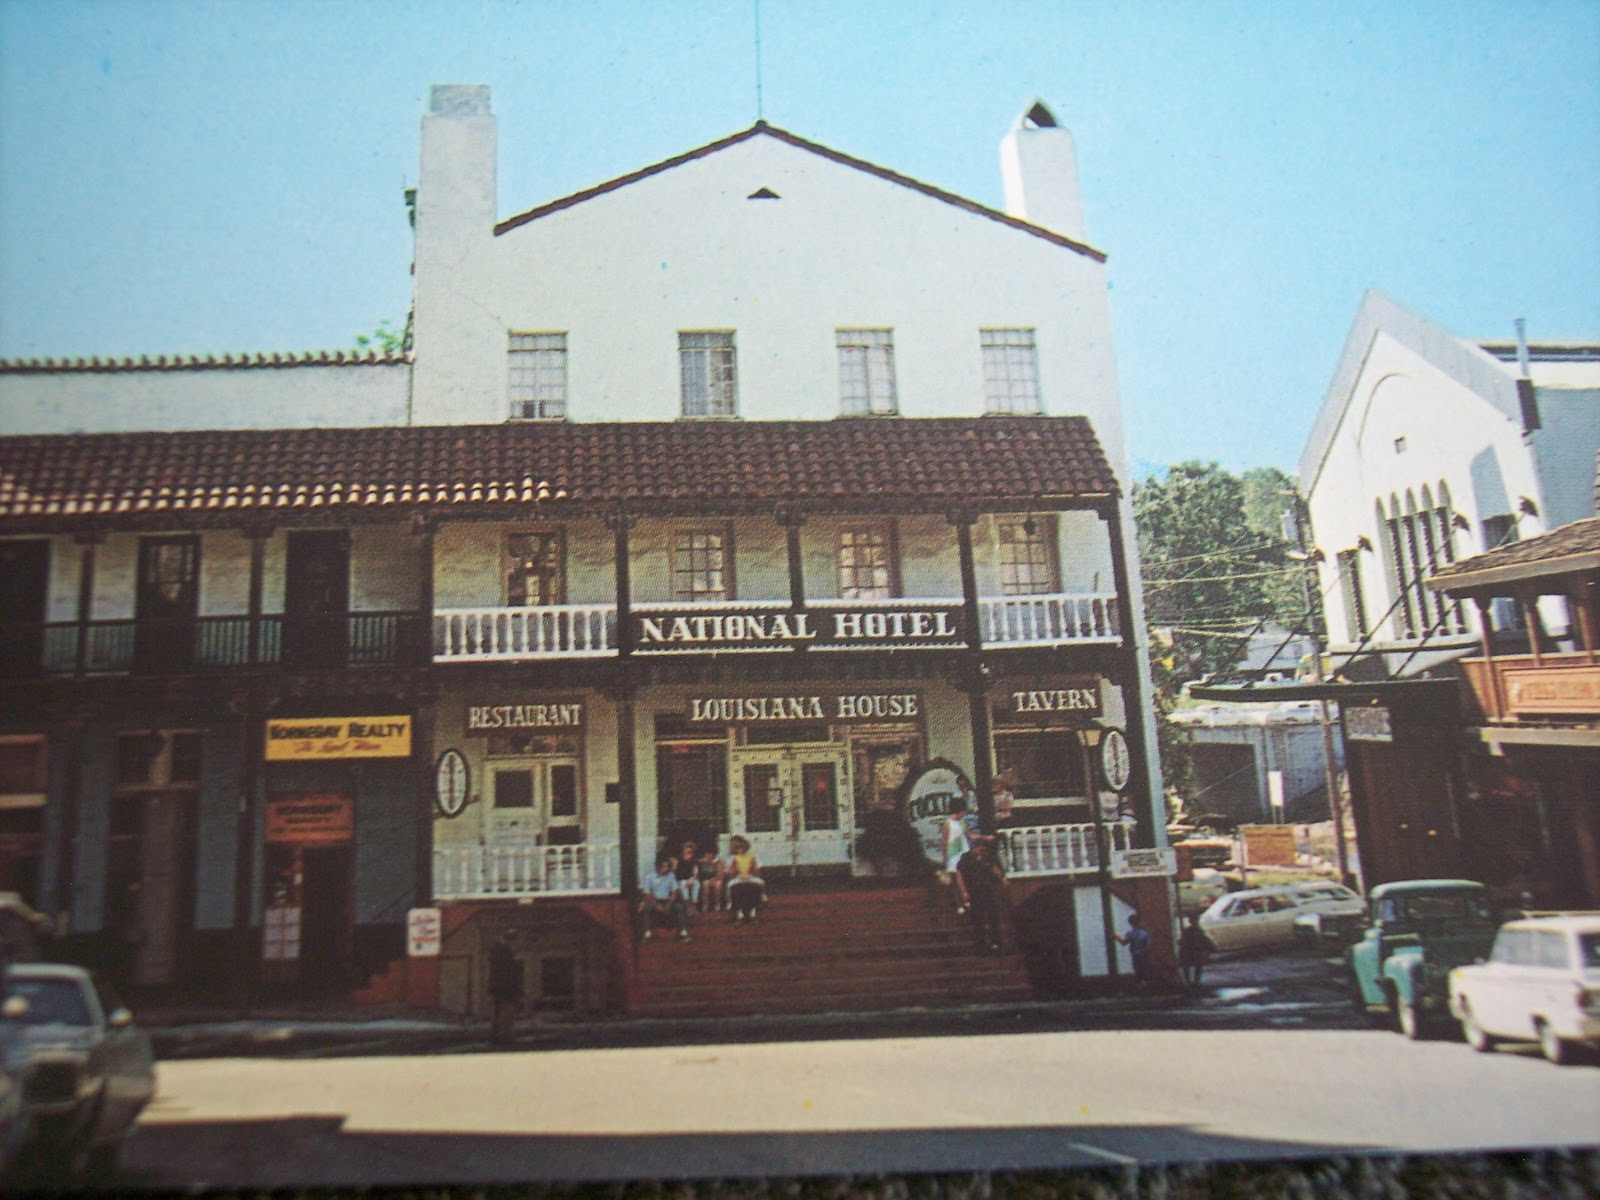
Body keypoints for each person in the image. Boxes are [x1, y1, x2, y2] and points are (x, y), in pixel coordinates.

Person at [956, 837, 1009, 953]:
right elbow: (960, 874)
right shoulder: (966, 858)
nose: (981, 851)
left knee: (993, 917)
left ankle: (996, 943)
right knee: (978, 919)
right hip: (974, 891)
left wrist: (1001, 878)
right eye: (979, 849)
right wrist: (964, 891)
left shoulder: (988, 857)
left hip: (988, 890)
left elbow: (995, 869)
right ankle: (980, 945)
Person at [639, 855, 691, 941]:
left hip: (667, 900)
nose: (666, 869)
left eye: (667, 867)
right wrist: (656, 905)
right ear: (658, 867)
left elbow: (675, 892)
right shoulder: (649, 877)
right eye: (664, 867)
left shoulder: (671, 876)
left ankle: (683, 932)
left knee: (680, 907)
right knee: (647, 909)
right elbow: (647, 894)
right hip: (655, 900)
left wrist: (669, 904)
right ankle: (647, 934)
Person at [487, 935, 523, 1045]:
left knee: (497, 1012)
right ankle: (504, 1036)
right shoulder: (508, 959)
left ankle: (496, 1035)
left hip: (498, 988)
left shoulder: (496, 958)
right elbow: (510, 975)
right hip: (507, 990)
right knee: (506, 1012)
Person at [941, 799, 973, 914]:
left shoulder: (963, 822)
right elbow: (944, 842)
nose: (965, 813)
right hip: (952, 854)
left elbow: (970, 836)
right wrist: (944, 858)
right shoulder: (948, 823)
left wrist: (984, 838)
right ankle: (959, 904)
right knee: (955, 880)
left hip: (963, 852)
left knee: (963, 877)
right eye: (964, 811)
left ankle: (966, 901)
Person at [726, 835, 765, 922]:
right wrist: (734, 870)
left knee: (759, 883)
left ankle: (753, 911)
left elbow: (756, 870)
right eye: (738, 848)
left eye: (741, 847)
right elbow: (732, 872)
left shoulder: (752, 857)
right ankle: (738, 910)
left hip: (750, 877)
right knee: (732, 886)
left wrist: (752, 869)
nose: (740, 849)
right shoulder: (734, 858)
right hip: (739, 877)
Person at [1116, 911, 1153, 988]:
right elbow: (1149, 945)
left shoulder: (1131, 933)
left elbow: (1123, 942)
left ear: (1130, 923)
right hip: (1145, 955)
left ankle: (1140, 989)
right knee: (1145, 972)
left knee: (1138, 973)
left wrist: (1116, 936)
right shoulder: (1145, 933)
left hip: (1136, 956)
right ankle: (1146, 988)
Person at [1179, 913, 1209, 990]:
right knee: (1190, 966)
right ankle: (1190, 982)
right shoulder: (1190, 931)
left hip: (1196, 951)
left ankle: (1195, 982)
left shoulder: (1198, 930)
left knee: (1197, 965)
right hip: (1191, 951)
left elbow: (1204, 941)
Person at [695, 844, 725, 912]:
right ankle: (705, 904)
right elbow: (697, 873)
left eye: (710, 853)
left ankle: (717, 904)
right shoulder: (701, 862)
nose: (708, 855)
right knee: (705, 885)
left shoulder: (718, 862)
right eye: (707, 853)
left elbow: (720, 874)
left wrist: (714, 879)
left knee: (718, 885)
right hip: (705, 879)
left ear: (713, 854)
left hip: (716, 879)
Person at [674, 842, 702, 910]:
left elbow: (696, 874)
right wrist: (686, 881)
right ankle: (687, 905)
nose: (686, 854)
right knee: (683, 884)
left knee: (697, 884)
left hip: (691, 880)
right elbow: (678, 875)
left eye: (689, 852)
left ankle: (693, 904)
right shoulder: (679, 862)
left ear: (692, 854)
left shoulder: (695, 862)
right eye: (685, 852)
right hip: (681, 880)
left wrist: (691, 880)